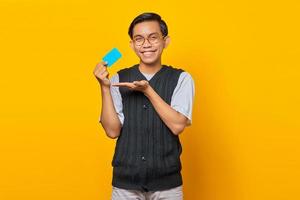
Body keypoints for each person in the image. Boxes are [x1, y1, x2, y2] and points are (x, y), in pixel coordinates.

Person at [93, 12, 195, 200]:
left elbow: (177, 125)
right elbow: (112, 131)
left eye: (153, 37)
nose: (146, 44)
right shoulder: (118, 79)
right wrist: (104, 87)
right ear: (132, 44)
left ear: (166, 41)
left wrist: (148, 91)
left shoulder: (182, 78)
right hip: (125, 184)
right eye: (139, 39)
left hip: (167, 185)